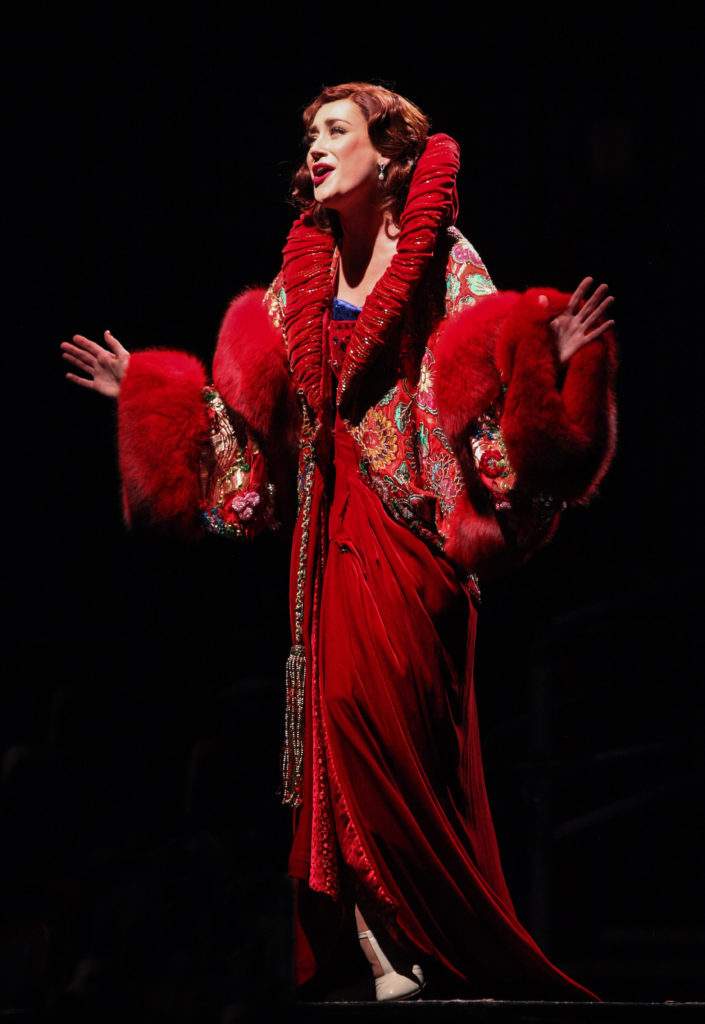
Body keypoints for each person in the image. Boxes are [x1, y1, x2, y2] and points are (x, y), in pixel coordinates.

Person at [61, 82, 616, 1002]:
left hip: (412, 543)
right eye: (309, 135)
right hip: (328, 538)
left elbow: (485, 410)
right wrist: (149, 396)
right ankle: (376, 944)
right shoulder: (298, 285)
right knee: (334, 725)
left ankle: (433, 936)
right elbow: (249, 437)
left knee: (395, 730)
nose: (315, 149)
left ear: (389, 157)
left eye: (335, 132)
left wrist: (544, 373)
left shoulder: (446, 261)